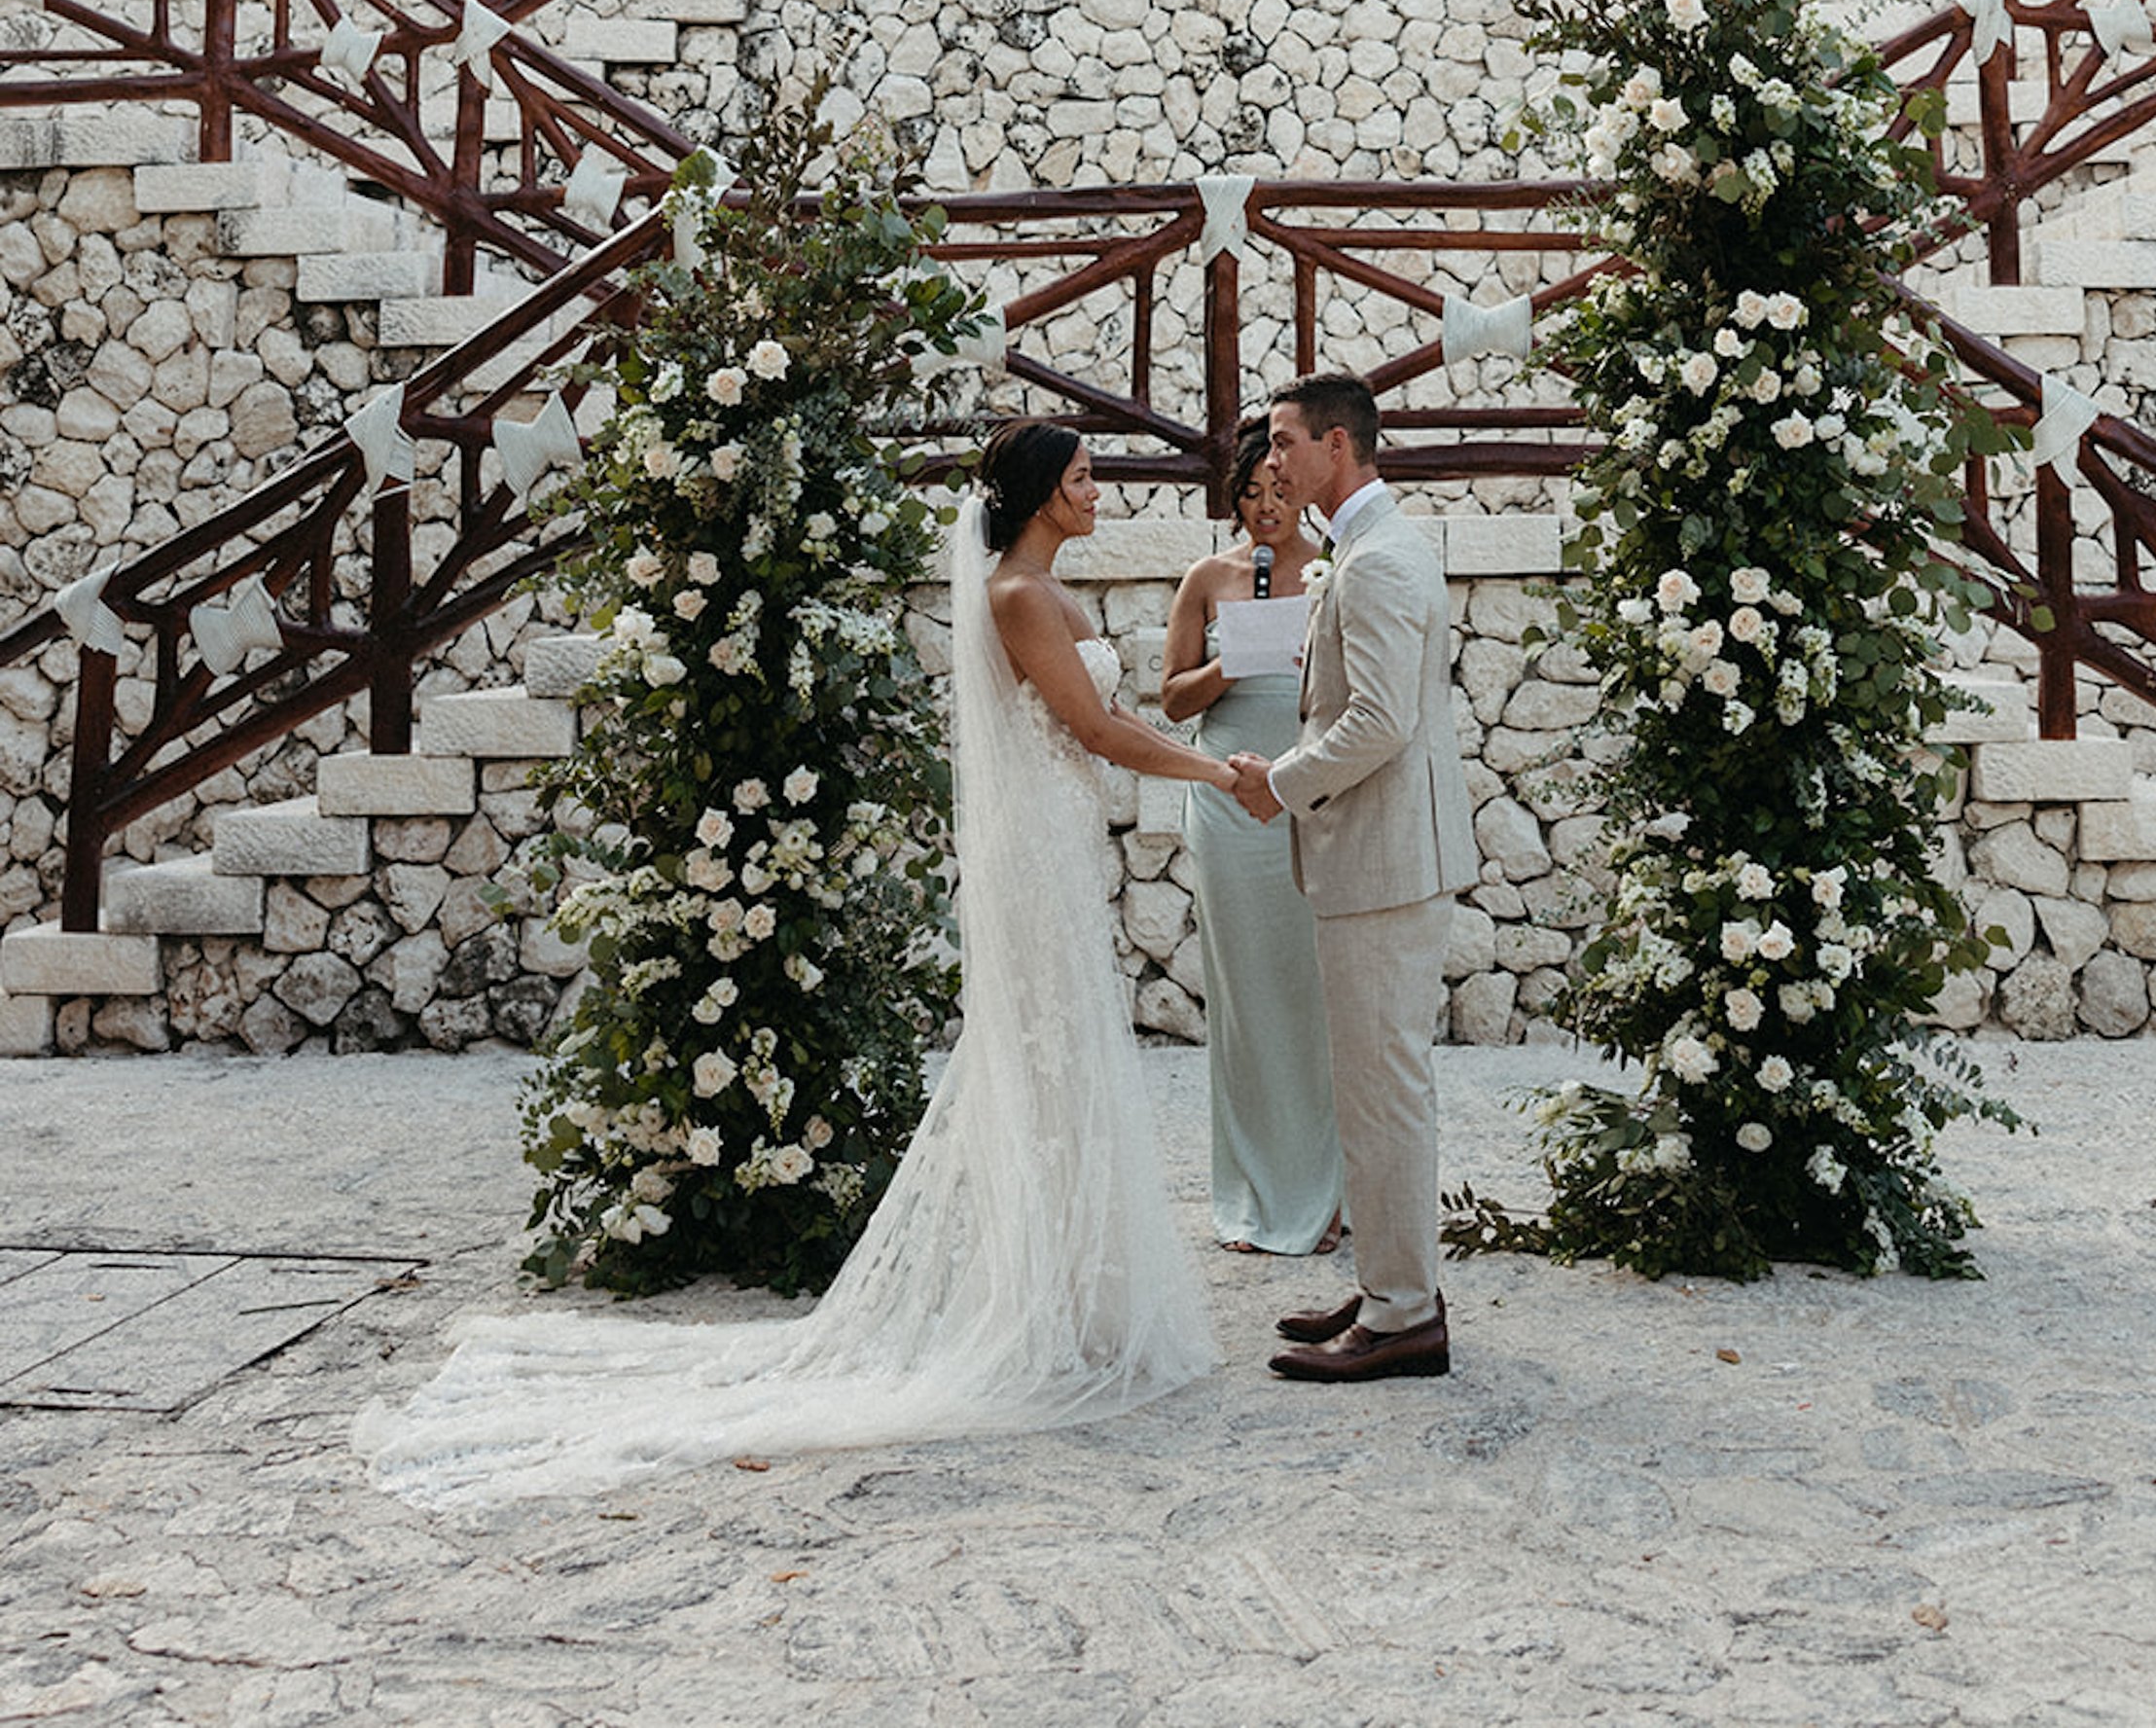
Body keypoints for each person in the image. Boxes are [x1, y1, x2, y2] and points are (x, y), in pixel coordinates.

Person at [356, 420, 1244, 1503]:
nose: (1098, 488)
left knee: (1065, 1059)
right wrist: (1217, 770)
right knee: (1044, 1055)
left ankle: (1071, 1289)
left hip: (1061, 835)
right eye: (1080, 477)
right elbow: (1097, 730)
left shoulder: (1048, 588)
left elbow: (1095, 723)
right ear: (1036, 496)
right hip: (1039, 852)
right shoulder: (1017, 595)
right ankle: (1041, 1303)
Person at [1230, 374, 1479, 1386]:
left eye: (1286, 439)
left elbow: (1378, 721)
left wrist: (1280, 784)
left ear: (1339, 444)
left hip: (1383, 857)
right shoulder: (1368, 549)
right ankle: (1390, 1280)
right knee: (1374, 1086)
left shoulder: (1374, 561)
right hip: (1382, 852)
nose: (1272, 460)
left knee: (1384, 1090)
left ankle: (1403, 1312)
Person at [1161, 423, 1346, 1255]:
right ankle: (1247, 1193)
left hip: (1309, 795)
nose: (1268, 508)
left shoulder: (1335, 570)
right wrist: (1232, 660)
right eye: (1252, 494)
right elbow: (1172, 701)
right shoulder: (1207, 578)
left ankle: (1327, 1191)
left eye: (1280, 491)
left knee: (1315, 996)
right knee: (1244, 1003)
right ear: (1232, 496)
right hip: (1230, 805)